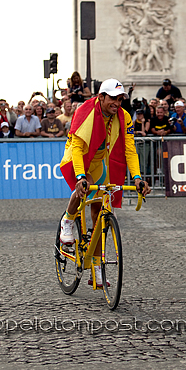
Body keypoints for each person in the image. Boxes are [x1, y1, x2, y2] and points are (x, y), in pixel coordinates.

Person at [60, 78, 150, 288]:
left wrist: (137, 178)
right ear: (101, 97)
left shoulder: (124, 117)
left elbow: (129, 150)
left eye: (120, 99)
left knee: (100, 215)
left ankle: (97, 270)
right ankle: (68, 219)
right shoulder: (85, 112)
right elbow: (78, 148)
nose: (117, 103)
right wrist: (81, 176)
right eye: (112, 98)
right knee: (85, 187)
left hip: (98, 160)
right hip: (78, 157)